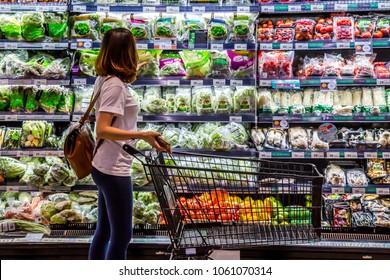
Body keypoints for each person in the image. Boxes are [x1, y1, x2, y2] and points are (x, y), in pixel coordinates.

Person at [89, 28, 165, 260]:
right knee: (122, 236)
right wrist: (141, 135)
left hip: (104, 164)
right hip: (113, 169)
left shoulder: (107, 78)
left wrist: (138, 68)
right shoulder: (114, 86)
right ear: (127, 52)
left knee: (104, 231)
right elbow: (102, 128)